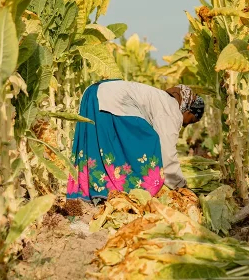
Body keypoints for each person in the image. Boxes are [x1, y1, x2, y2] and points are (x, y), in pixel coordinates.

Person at [66, 79, 204, 205]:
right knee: (149, 142)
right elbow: (167, 153)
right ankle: (128, 190)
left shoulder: (163, 100)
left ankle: (94, 192)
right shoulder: (172, 111)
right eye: (191, 120)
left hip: (94, 93)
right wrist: (180, 186)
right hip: (111, 99)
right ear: (188, 110)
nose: (186, 125)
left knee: (98, 146)